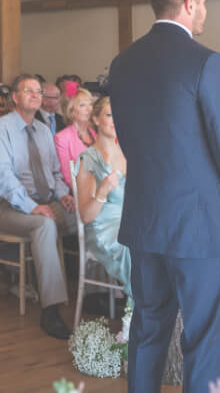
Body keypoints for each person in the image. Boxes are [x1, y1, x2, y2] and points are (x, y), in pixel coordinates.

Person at [108, 0, 220, 393]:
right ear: (188, 3)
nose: (203, 11)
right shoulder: (206, 62)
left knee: (147, 331)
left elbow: (129, 139)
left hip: (144, 220)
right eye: (202, 2)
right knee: (206, 340)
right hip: (199, 225)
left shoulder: (122, 63)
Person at [0, 73, 77, 340]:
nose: (36, 95)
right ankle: (51, 310)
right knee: (45, 225)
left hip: (48, 202)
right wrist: (31, 206)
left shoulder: (43, 130)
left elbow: (55, 173)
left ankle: (100, 294)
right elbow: (2, 177)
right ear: (15, 97)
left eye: (39, 91)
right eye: (29, 91)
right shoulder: (0, 129)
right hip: (11, 209)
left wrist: (63, 195)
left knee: (89, 215)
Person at [74, 96, 131, 296]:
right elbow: (86, 216)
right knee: (135, 247)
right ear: (96, 119)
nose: (116, 120)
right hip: (104, 226)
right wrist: (102, 191)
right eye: (109, 115)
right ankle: (142, 306)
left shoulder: (129, 152)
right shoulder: (89, 158)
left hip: (131, 220)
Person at [53, 88, 96, 190]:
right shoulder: (61, 138)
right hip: (82, 192)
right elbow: (69, 178)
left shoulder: (95, 133)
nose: (89, 109)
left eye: (90, 104)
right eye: (82, 105)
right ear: (71, 111)